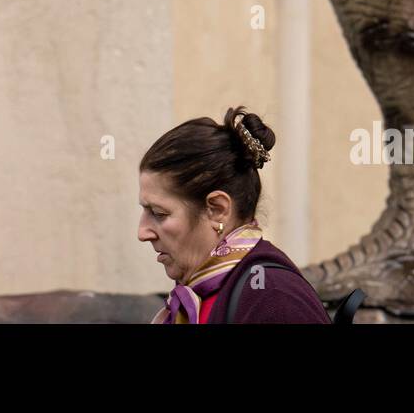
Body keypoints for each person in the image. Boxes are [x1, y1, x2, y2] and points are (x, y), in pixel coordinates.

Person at [139, 105, 331, 324]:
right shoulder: (204, 294)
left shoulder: (275, 301)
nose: (142, 232)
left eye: (159, 213)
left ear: (218, 209)